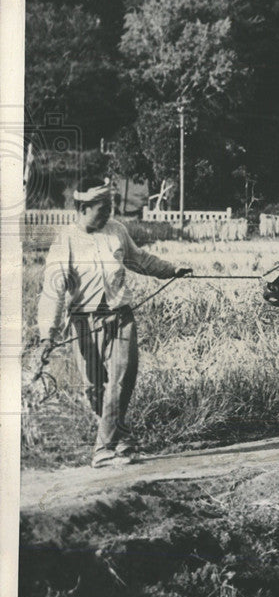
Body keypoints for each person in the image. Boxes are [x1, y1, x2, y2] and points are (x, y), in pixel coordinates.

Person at [34, 178, 193, 468]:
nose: (108, 211)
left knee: (120, 382)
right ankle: (121, 439)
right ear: (82, 208)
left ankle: (103, 449)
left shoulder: (117, 231)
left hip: (120, 317)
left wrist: (171, 270)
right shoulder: (66, 240)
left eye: (109, 205)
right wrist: (48, 334)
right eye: (101, 207)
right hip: (84, 322)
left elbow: (139, 260)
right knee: (94, 388)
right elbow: (53, 291)